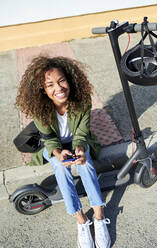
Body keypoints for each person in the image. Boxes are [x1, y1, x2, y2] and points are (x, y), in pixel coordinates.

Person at [15, 56, 111, 248]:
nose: (58, 88)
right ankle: (81, 220)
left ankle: (99, 217)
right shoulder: (40, 108)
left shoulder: (82, 101)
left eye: (61, 81)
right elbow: (48, 138)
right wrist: (58, 153)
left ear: (69, 79)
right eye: (50, 85)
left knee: (85, 165)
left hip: (78, 142)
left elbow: (82, 132)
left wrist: (80, 149)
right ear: (43, 90)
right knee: (59, 166)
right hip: (53, 146)